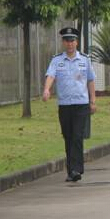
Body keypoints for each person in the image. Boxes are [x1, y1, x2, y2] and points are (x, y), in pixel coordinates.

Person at [42, 27, 96, 182]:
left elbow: (91, 81)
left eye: (72, 40)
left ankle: (76, 169)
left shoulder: (85, 59)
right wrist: (46, 89)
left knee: (77, 136)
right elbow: (50, 76)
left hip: (81, 104)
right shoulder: (57, 60)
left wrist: (93, 101)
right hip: (65, 105)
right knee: (68, 137)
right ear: (63, 42)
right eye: (67, 40)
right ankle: (71, 171)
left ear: (77, 42)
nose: (70, 43)